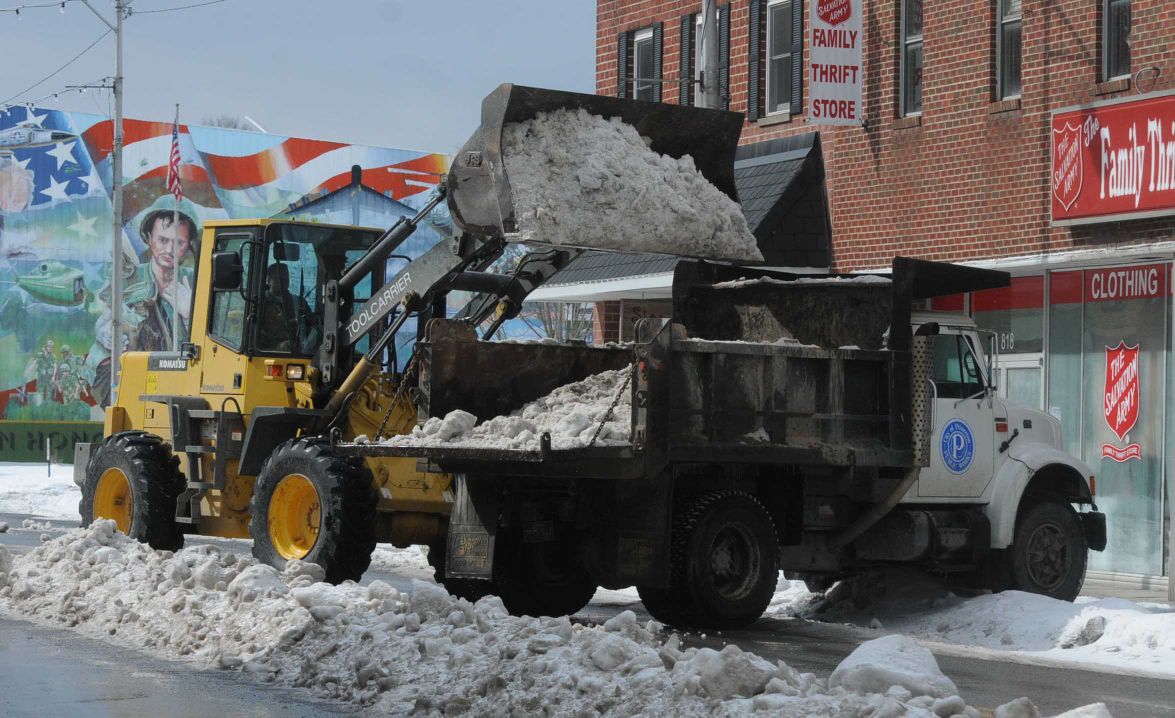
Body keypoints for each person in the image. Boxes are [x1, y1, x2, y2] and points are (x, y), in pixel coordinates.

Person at [125, 201, 198, 351]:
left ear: (189, 245)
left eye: (179, 243)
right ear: (149, 237)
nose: (170, 249)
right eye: (162, 240)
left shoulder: (199, 280)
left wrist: (190, 316)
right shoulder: (127, 280)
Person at [258, 263, 313, 352]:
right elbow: (256, 334)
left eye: (286, 278)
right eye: (280, 278)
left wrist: (299, 323)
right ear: (268, 280)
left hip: (299, 351)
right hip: (268, 352)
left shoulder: (298, 302)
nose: (284, 281)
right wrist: (278, 346)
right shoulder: (261, 303)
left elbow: (311, 325)